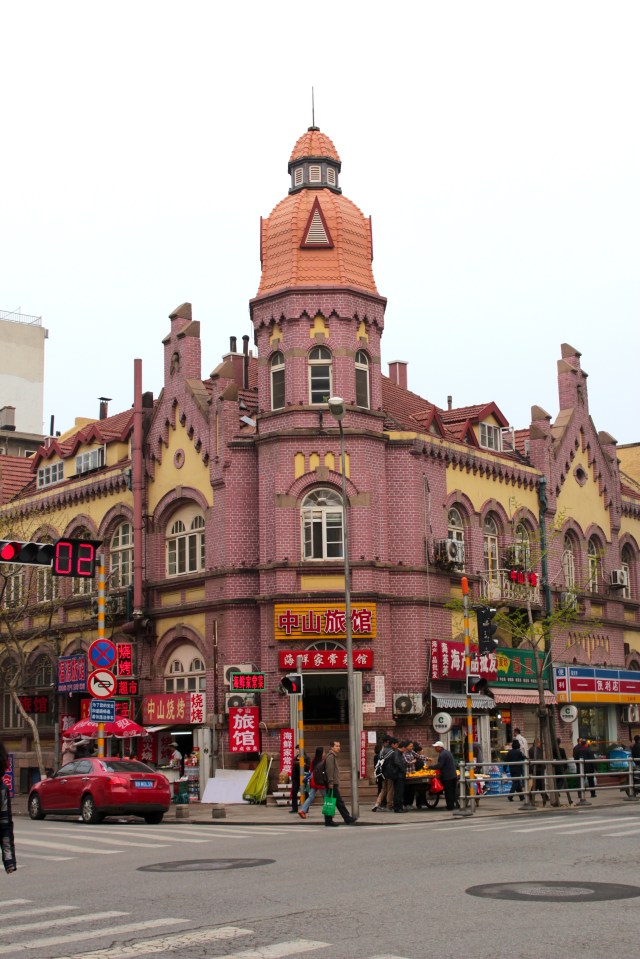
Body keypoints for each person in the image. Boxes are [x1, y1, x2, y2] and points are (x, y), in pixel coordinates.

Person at [323, 741, 356, 827]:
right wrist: (331, 782)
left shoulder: (333, 756)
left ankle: (329, 820)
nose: (338, 748)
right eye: (336, 746)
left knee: (332, 802)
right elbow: (329, 770)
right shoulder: (331, 757)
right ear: (332, 747)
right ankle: (346, 818)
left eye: (339, 746)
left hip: (333, 783)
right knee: (338, 802)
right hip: (332, 784)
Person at [0, 741, 17, 874]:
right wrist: (9, 860)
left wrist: (9, 860)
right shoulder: (2, 789)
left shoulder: (2, 789)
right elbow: (4, 825)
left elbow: (4, 824)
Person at [371, 736, 396, 812]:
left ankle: (377, 803)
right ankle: (389, 805)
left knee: (383, 789)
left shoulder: (381, 751)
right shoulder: (392, 751)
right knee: (390, 789)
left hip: (382, 774)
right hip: (389, 773)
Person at [299, 746, 325, 818]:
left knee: (311, 797)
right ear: (321, 753)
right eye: (324, 752)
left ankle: (302, 810)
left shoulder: (313, 761)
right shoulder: (323, 761)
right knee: (326, 797)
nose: (324, 753)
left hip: (313, 780)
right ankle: (328, 812)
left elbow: (310, 770)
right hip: (320, 781)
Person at [433, 741, 458, 811]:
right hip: (453, 775)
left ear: (440, 747)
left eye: (436, 747)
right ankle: (452, 805)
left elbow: (440, 765)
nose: (435, 749)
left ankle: (449, 806)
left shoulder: (442, 754)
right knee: (452, 791)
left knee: (448, 792)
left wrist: (431, 767)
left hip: (448, 776)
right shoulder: (447, 752)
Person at [529, 738, 549, 806]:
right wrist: (543, 764)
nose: (540, 744)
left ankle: (544, 796)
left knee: (538, 783)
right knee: (538, 783)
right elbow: (538, 759)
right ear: (537, 743)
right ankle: (533, 796)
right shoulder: (536, 750)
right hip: (538, 768)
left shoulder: (532, 749)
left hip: (536, 768)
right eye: (540, 743)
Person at [553, 738, 573, 805]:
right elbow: (565, 759)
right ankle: (557, 790)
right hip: (560, 767)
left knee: (556, 780)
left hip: (554, 767)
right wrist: (566, 766)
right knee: (561, 779)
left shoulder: (552, 750)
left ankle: (556, 790)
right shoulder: (561, 750)